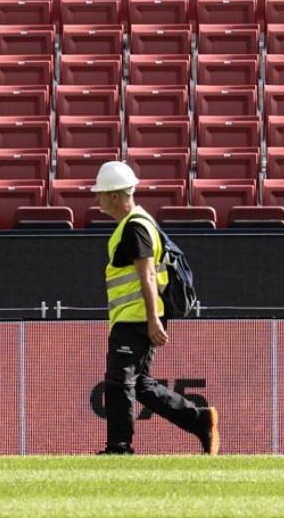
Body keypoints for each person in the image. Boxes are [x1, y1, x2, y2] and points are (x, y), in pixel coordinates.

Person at [93, 160, 220, 456]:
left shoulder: (135, 227)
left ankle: (119, 448)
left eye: (100, 193)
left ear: (114, 195)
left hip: (137, 318)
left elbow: (147, 274)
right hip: (133, 317)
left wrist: (152, 319)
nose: (96, 198)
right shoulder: (137, 223)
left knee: (118, 381)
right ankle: (200, 420)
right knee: (141, 385)